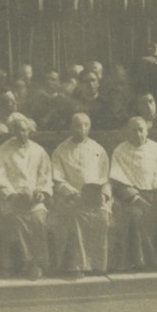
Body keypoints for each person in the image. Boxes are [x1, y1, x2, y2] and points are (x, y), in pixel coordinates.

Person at [109, 116, 157, 272]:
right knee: (134, 216)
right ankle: (140, 262)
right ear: (128, 132)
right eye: (133, 130)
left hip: (156, 195)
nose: (138, 134)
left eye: (141, 130)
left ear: (147, 131)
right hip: (133, 198)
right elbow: (118, 182)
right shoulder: (120, 150)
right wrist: (135, 198)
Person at [0, 115, 53, 280]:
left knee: (38, 219)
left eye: (24, 130)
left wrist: (41, 192)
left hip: (34, 200)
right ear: (12, 131)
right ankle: (26, 261)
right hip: (13, 198)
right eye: (17, 130)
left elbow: (45, 176)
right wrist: (11, 195)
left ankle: (38, 264)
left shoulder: (39, 151)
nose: (21, 134)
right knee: (16, 220)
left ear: (29, 131)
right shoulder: (3, 151)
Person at [49, 112, 113, 277]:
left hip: (95, 197)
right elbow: (58, 180)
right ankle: (77, 266)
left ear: (90, 127)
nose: (81, 129)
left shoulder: (98, 149)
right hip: (72, 197)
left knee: (101, 217)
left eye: (85, 125)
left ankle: (97, 266)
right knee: (76, 218)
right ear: (71, 127)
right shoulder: (60, 151)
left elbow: (105, 178)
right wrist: (73, 194)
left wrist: (104, 195)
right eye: (77, 125)